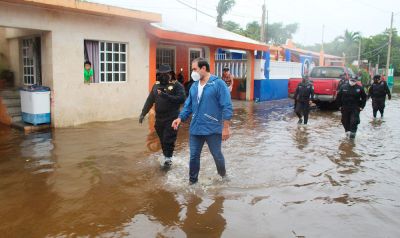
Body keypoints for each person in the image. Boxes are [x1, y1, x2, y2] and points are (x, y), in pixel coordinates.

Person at [171, 58, 233, 185]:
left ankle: (223, 176)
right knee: (194, 156)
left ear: (203, 68)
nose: (193, 72)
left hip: (213, 128)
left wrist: (225, 128)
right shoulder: (194, 86)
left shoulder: (218, 84)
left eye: (194, 69)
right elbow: (188, 106)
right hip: (196, 128)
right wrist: (180, 118)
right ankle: (192, 182)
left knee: (216, 155)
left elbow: (227, 105)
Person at [139, 64, 186, 167]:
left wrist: (167, 96)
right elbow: (150, 100)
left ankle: (168, 160)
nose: (163, 76)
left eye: (166, 74)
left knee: (168, 139)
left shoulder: (176, 85)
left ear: (170, 74)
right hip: (159, 119)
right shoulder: (156, 85)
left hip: (172, 117)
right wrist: (143, 113)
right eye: (161, 74)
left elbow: (182, 99)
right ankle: (167, 157)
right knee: (162, 140)